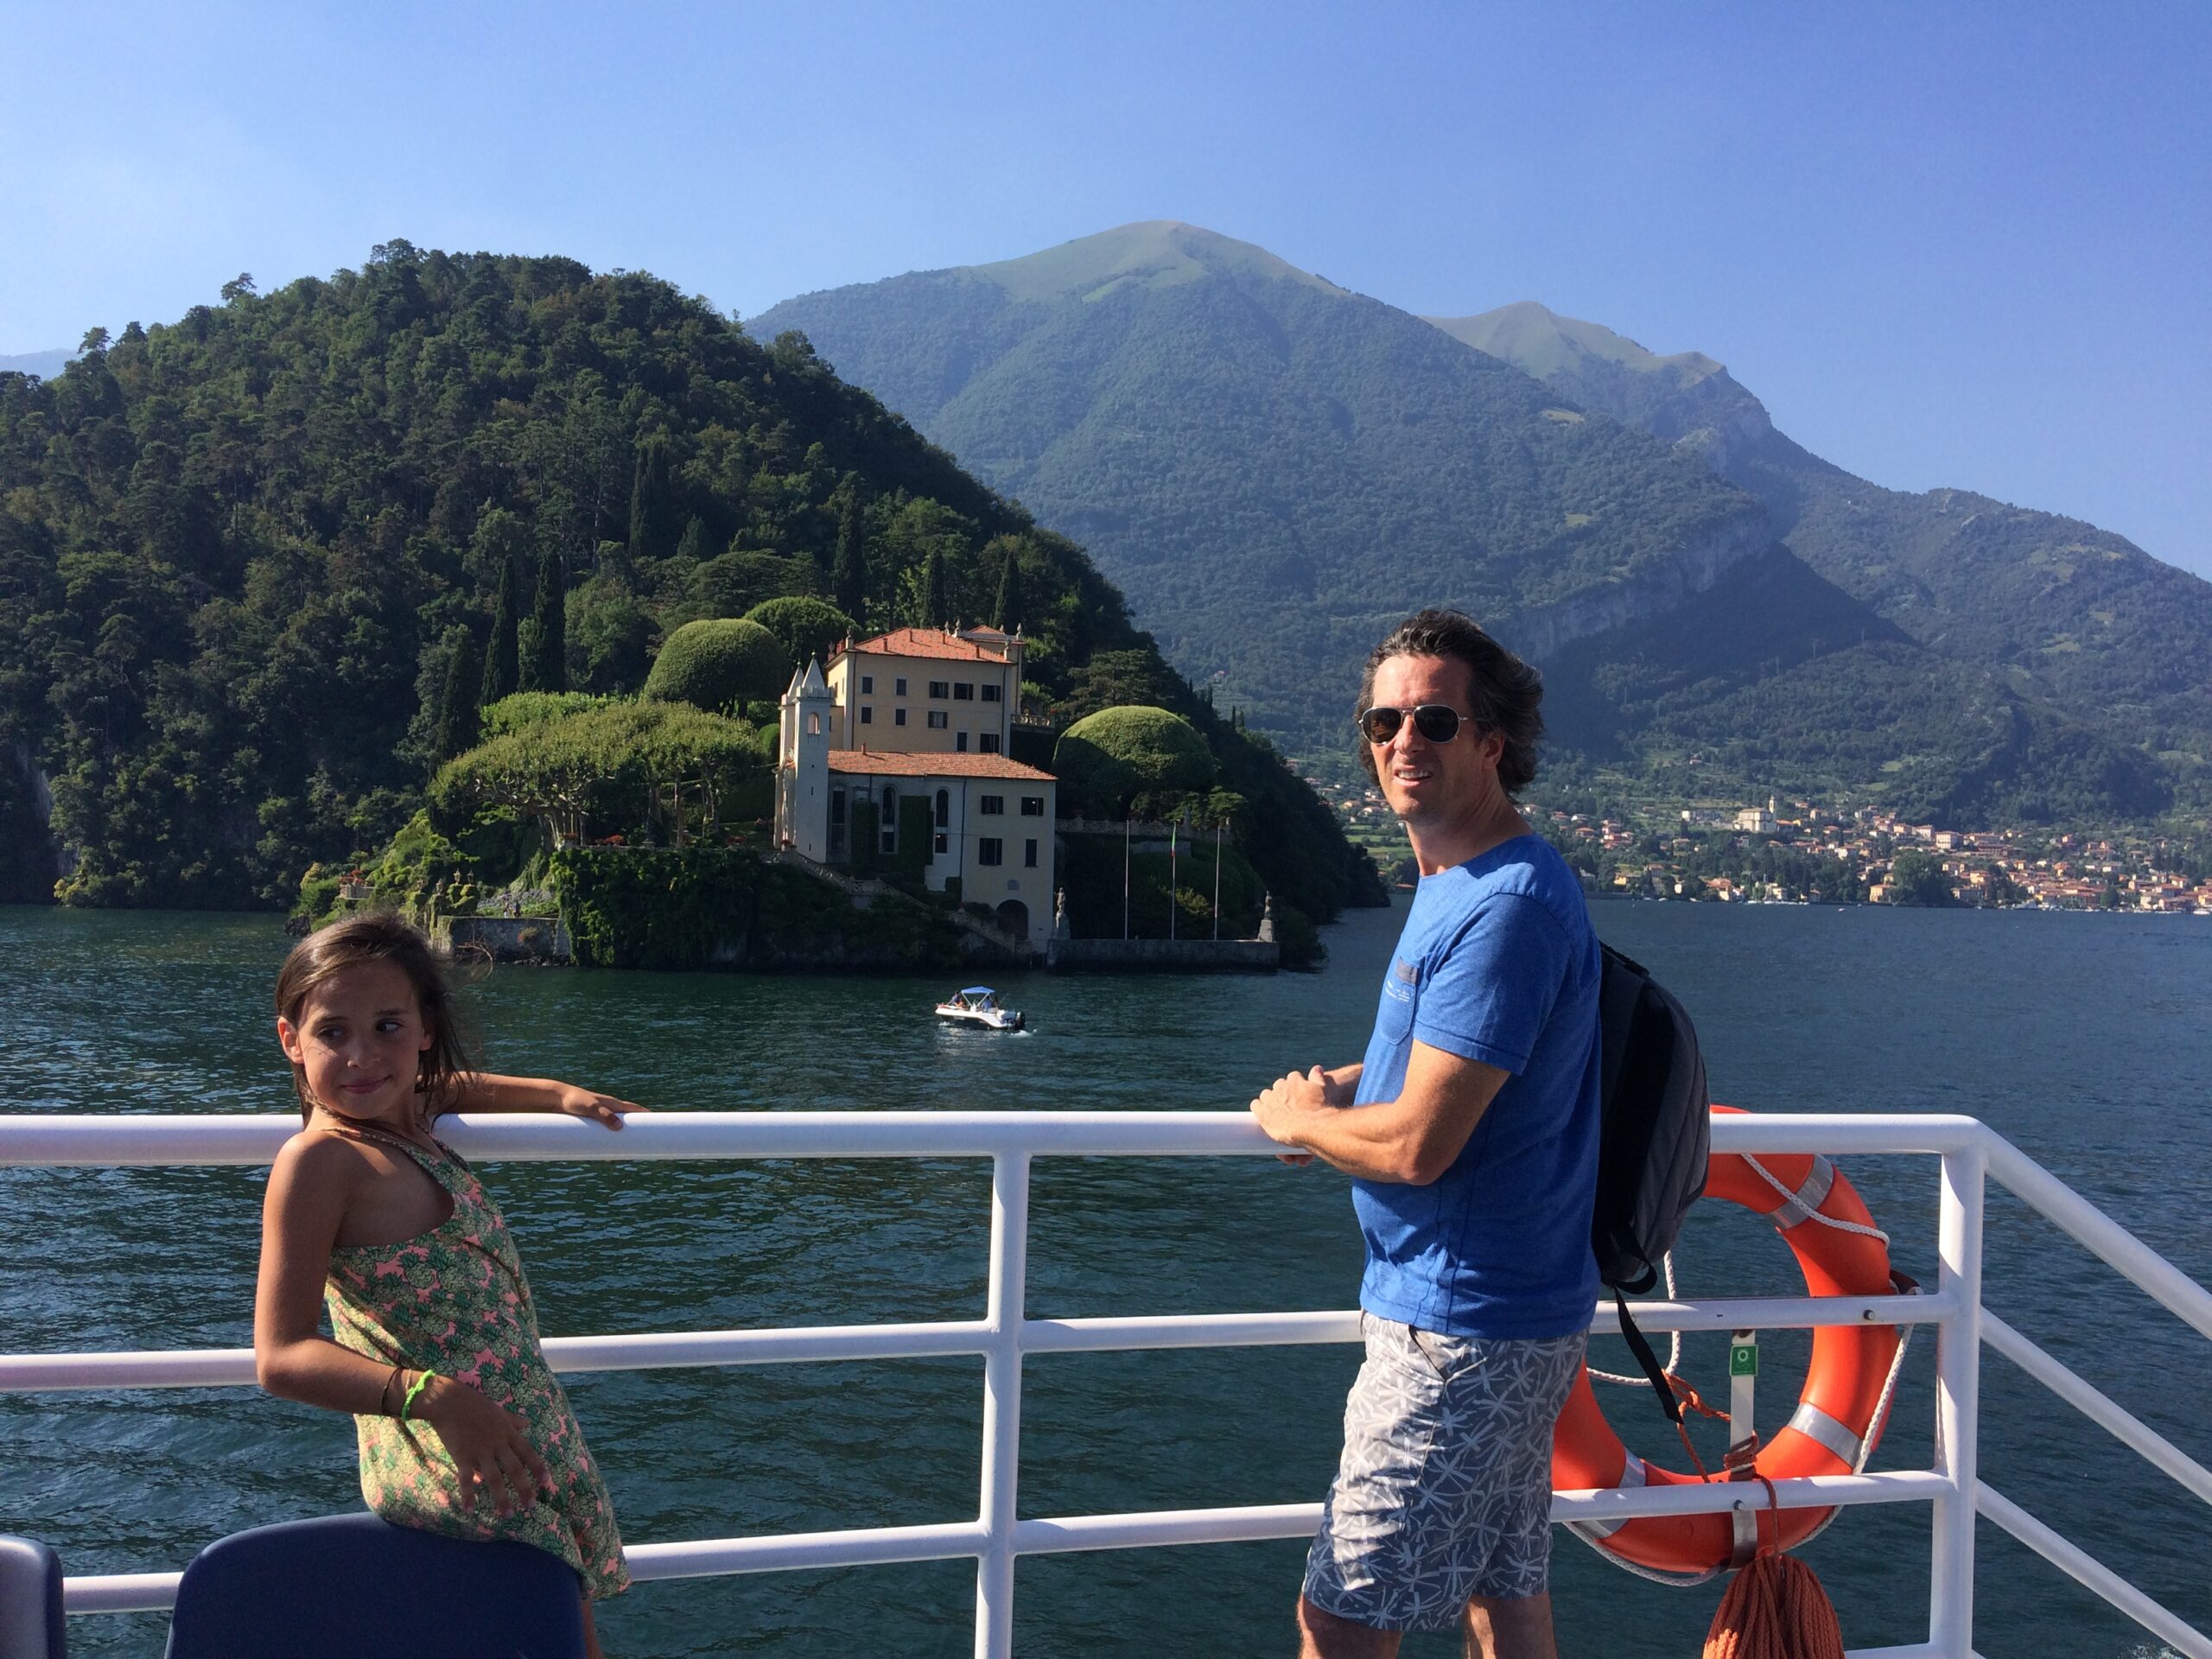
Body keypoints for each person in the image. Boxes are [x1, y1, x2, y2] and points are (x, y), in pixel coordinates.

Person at [1249, 610, 1602, 1659]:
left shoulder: (1506, 907)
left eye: (1436, 720)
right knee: (1504, 1594)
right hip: (1506, 1314)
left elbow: (1417, 1149)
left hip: (1462, 1330)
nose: (1405, 740)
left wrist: (1302, 1121)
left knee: (1341, 1618)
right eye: (1385, 719)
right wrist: (1365, 1076)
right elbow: (1469, 1054)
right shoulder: (1456, 881)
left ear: (1492, 744)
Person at [254, 914, 638, 1656]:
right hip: (451, 1461)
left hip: (515, 1445)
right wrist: (435, 1397)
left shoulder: (407, 1120)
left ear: (425, 1028)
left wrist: (558, 1094)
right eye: (332, 1033)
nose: (362, 1056)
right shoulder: (319, 1162)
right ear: (290, 1041)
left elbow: (449, 1085)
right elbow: (281, 1355)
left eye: (388, 1026)